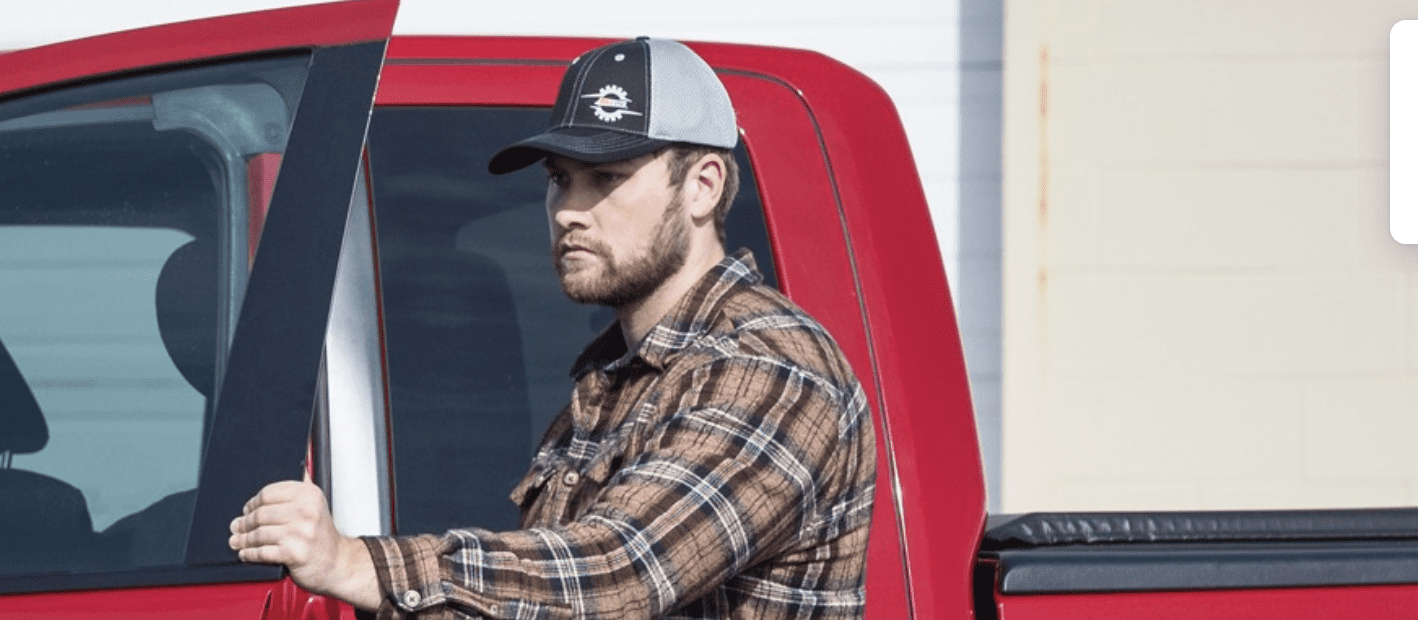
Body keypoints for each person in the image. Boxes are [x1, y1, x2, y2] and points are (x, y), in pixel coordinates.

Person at [229, 37, 876, 620]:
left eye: (607, 179)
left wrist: (354, 564)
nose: (569, 211)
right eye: (560, 181)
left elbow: (624, 570)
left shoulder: (772, 366)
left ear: (702, 187)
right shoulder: (613, 382)